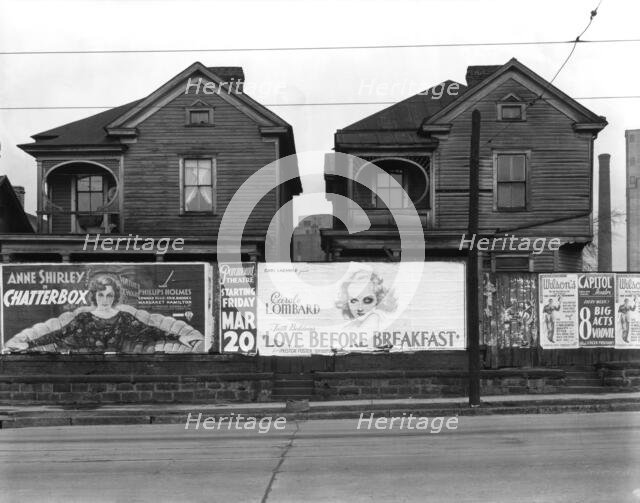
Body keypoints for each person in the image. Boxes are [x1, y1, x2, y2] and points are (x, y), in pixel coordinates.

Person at [5, 274, 204, 353]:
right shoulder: (83, 318)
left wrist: (180, 337)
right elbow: (58, 334)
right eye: (101, 294)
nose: (105, 299)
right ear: (95, 295)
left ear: (115, 296)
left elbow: (150, 331)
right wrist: (28, 344)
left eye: (109, 295)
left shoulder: (124, 317)